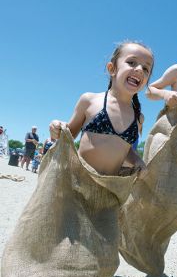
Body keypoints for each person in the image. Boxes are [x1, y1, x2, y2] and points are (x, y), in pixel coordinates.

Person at [50, 41, 154, 177]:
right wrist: (57, 128)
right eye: (131, 62)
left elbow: (125, 149)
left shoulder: (138, 117)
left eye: (146, 69)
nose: (140, 69)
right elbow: (69, 135)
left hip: (109, 189)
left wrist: (137, 160)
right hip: (77, 181)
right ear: (112, 69)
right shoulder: (89, 100)